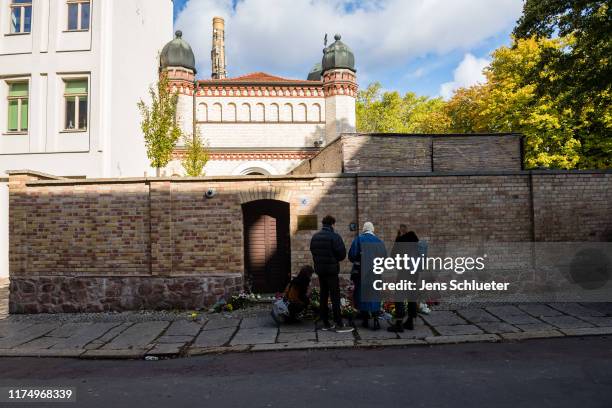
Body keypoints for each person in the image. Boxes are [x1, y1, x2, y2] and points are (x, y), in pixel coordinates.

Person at [310, 215, 353, 333]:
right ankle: (338, 322)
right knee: (335, 296)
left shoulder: (315, 237)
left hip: (320, 271)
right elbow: (342, 255)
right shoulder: (335, 237)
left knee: (323, 295)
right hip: (332, 271)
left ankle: (325, 322)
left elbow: (313, 252)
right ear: (332, 224)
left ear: (323, 224)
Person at [388, 226, 427, 332]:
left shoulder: (401, 241)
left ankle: (399, 323)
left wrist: (397, 239)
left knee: (399, 296)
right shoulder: (416, 242)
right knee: (411, 296)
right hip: (415, 273)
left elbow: (393, 256)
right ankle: (410, 321)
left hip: (404, 272)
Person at [348, 222, 386, 330]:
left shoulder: (359, 239)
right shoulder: (379, 241)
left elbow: (352, 256)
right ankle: (375, 320)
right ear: (372, 229)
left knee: (362, 294)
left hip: (361, 272)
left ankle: (365, 319)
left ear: (364, 229)